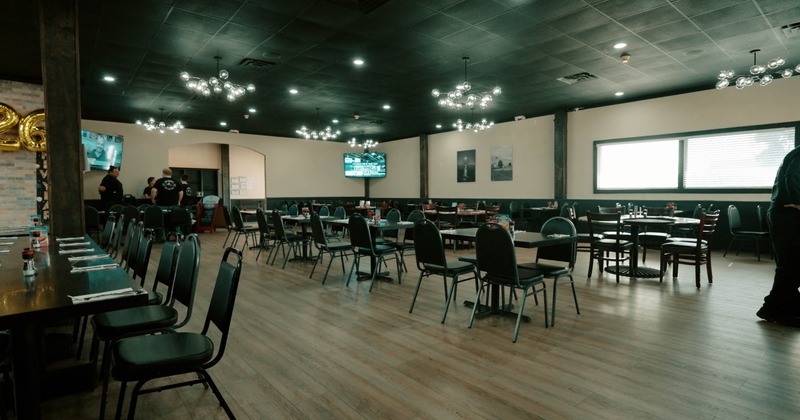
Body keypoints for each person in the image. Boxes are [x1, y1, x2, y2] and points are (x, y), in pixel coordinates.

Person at [757, 145, 800, 327]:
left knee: (793, 264)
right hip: (787, 214)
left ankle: (791, 306)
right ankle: (772, 309)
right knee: (791, 264)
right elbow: (792, 176)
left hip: (788, 214)